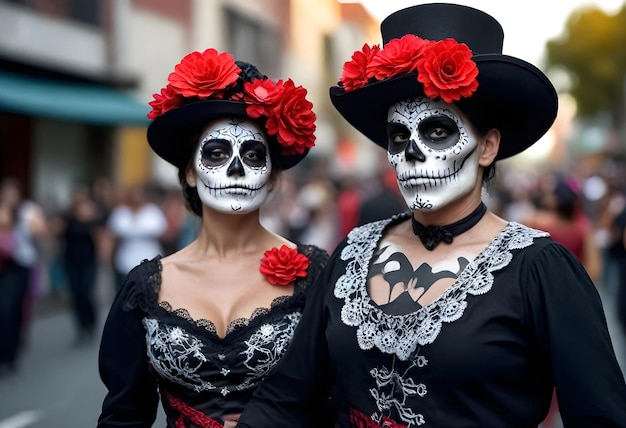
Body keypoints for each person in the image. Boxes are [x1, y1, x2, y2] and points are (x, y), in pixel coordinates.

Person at [236, 4, 626, 427]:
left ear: (488, 147)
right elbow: (287, 395)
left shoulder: (539, 270)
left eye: (437, 131)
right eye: (399, 136)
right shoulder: (352, 254)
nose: (412, 152)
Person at [97, 48, 329, 428]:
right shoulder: (144, 288)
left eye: (254, 155)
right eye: (217, 153)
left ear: (271, 176)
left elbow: (340, 400)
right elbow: (124, 416)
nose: (236, 168)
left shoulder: (317, 275)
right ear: (190, 173)